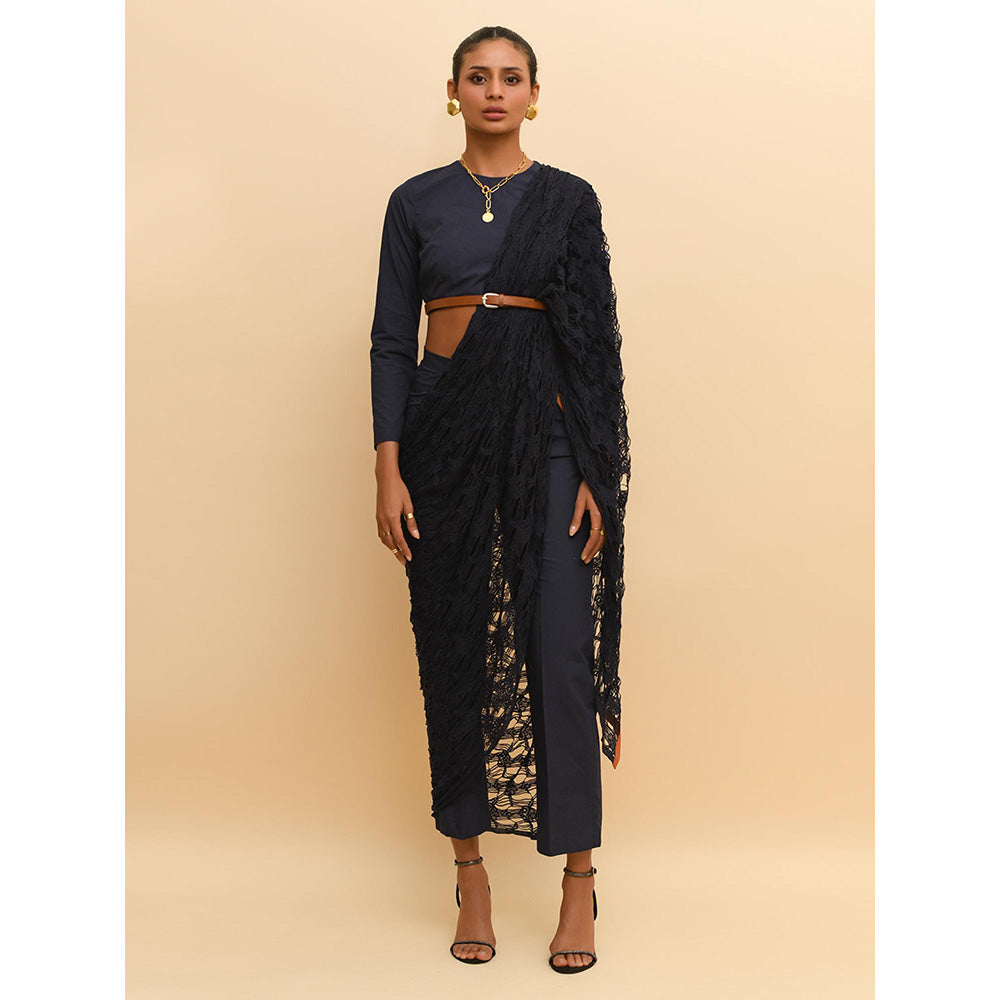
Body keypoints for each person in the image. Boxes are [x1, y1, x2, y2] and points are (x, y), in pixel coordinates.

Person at [369, 26, 631, 973]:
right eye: (477, 77)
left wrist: (594, 467)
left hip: (546, 436)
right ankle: (470, 874)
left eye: (510, 77)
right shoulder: (415, 202)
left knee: (559, 649)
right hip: (441, 433)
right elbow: (391, 339)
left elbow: (593, 342)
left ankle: (578, 883)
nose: (494, 90)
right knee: (454, 648)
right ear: (453, 91)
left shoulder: (567, 199)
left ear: (533, 94)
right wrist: (388, 464)